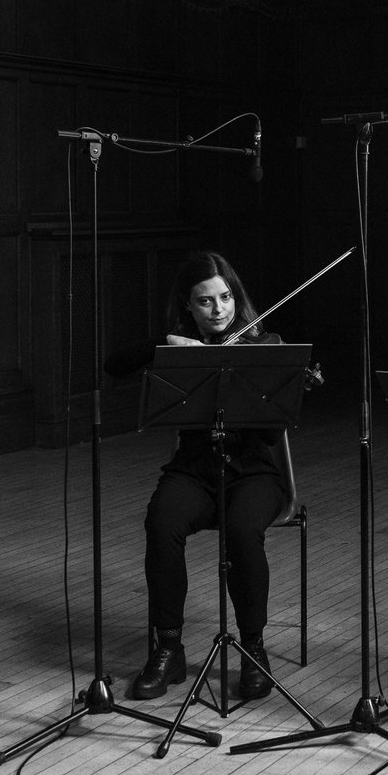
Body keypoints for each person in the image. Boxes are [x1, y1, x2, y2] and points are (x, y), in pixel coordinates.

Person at [107, 251, 300, 705]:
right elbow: (115, 365)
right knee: (161, 521)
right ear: (188, 307)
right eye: (206, 301)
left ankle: (253, 648)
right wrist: (167, 347)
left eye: (226, 297)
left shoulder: (265, 344)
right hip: (194, 471)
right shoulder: (179, 349)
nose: (219, 310)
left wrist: (276, 380)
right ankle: (168, 648)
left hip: (254, 473)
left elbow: (272, 433)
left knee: (241, 530)